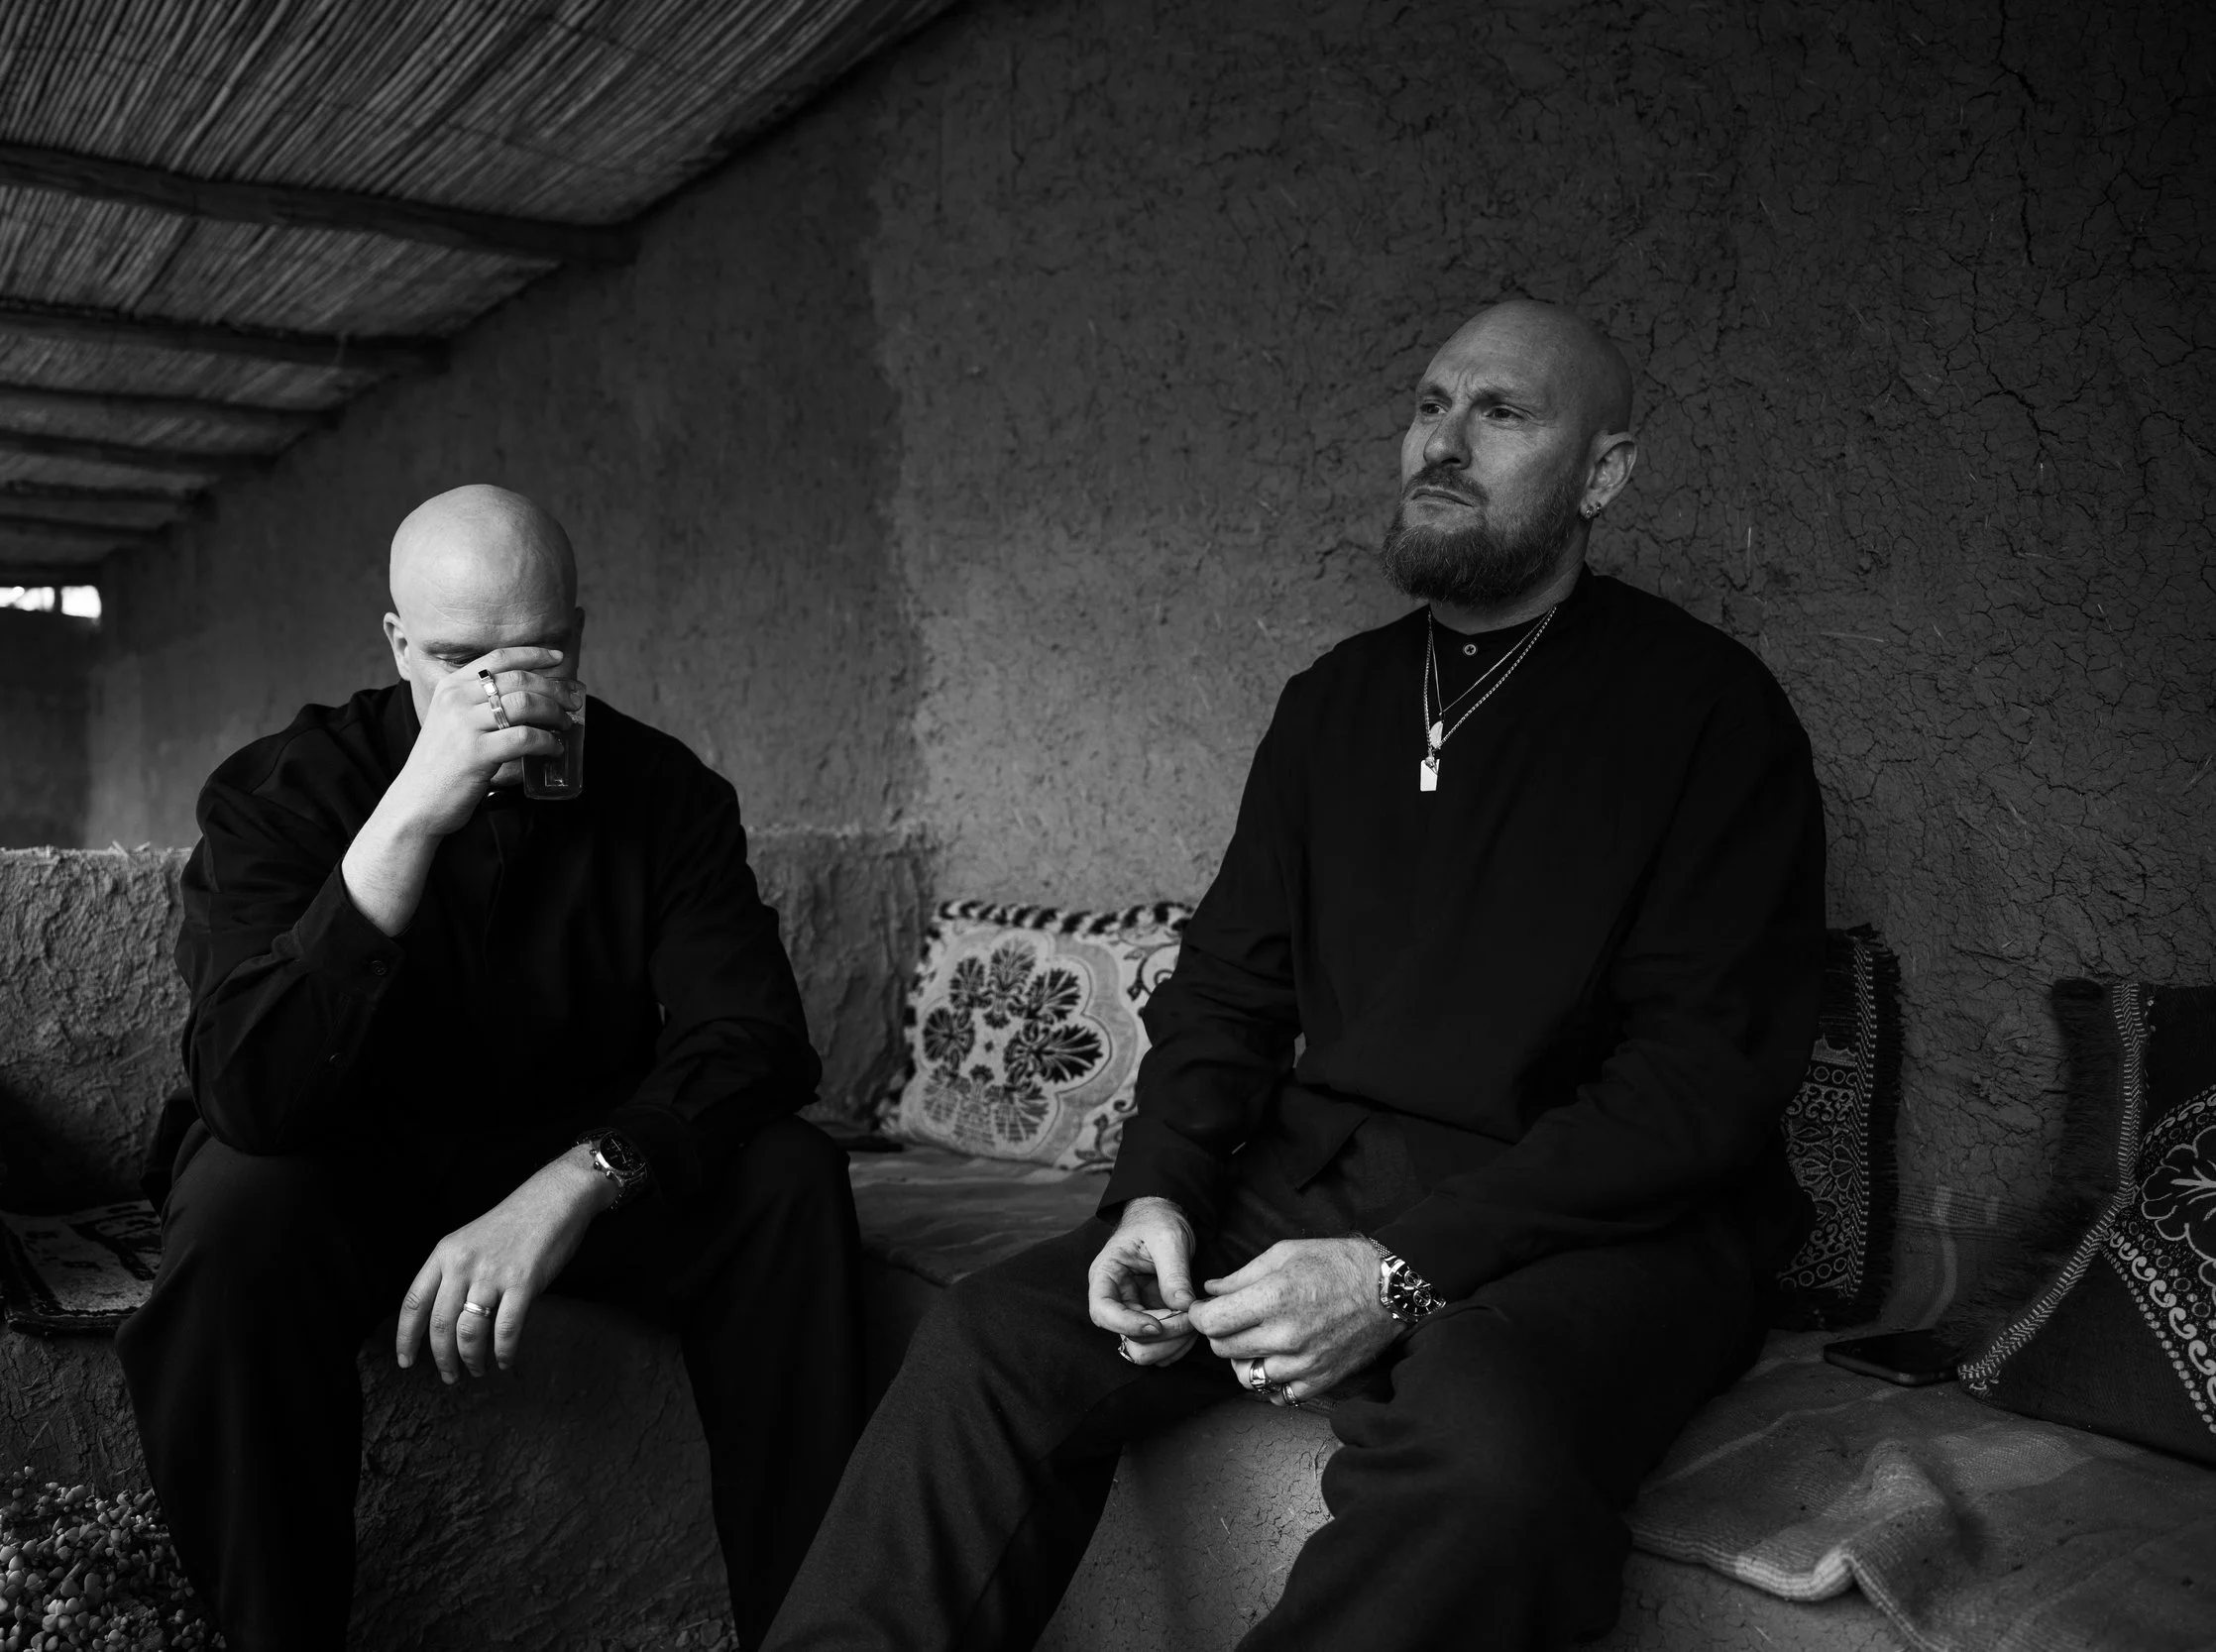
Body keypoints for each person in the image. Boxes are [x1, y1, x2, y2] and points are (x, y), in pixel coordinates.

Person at [764, 301, 1826, 1652]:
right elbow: (1228, 988)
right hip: (1330, 1169)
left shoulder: (1707, 709)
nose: (1444, 441)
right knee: (995, 1336)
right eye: (1430, 403)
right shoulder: (1334, 700)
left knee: (1488, 1460)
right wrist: (1155, 1191)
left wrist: (1396, 1274)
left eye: (1502, 412)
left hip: (1605, 1220)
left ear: (1603, 473)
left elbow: (1699, 1080)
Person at [118, 485, 862, 1652]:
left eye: (538, 655)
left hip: (568, 1165)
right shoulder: (285, 787)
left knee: (788, 1178)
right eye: (460, 660)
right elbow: (249, 1089)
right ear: (397, 643)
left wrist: (581, 1177)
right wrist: (409, 820)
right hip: (346, 1163)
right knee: (233, 1211)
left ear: (579, 634)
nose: (504, 696)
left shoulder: (664, 790)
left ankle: (817, 1636)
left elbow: (756, 1036)